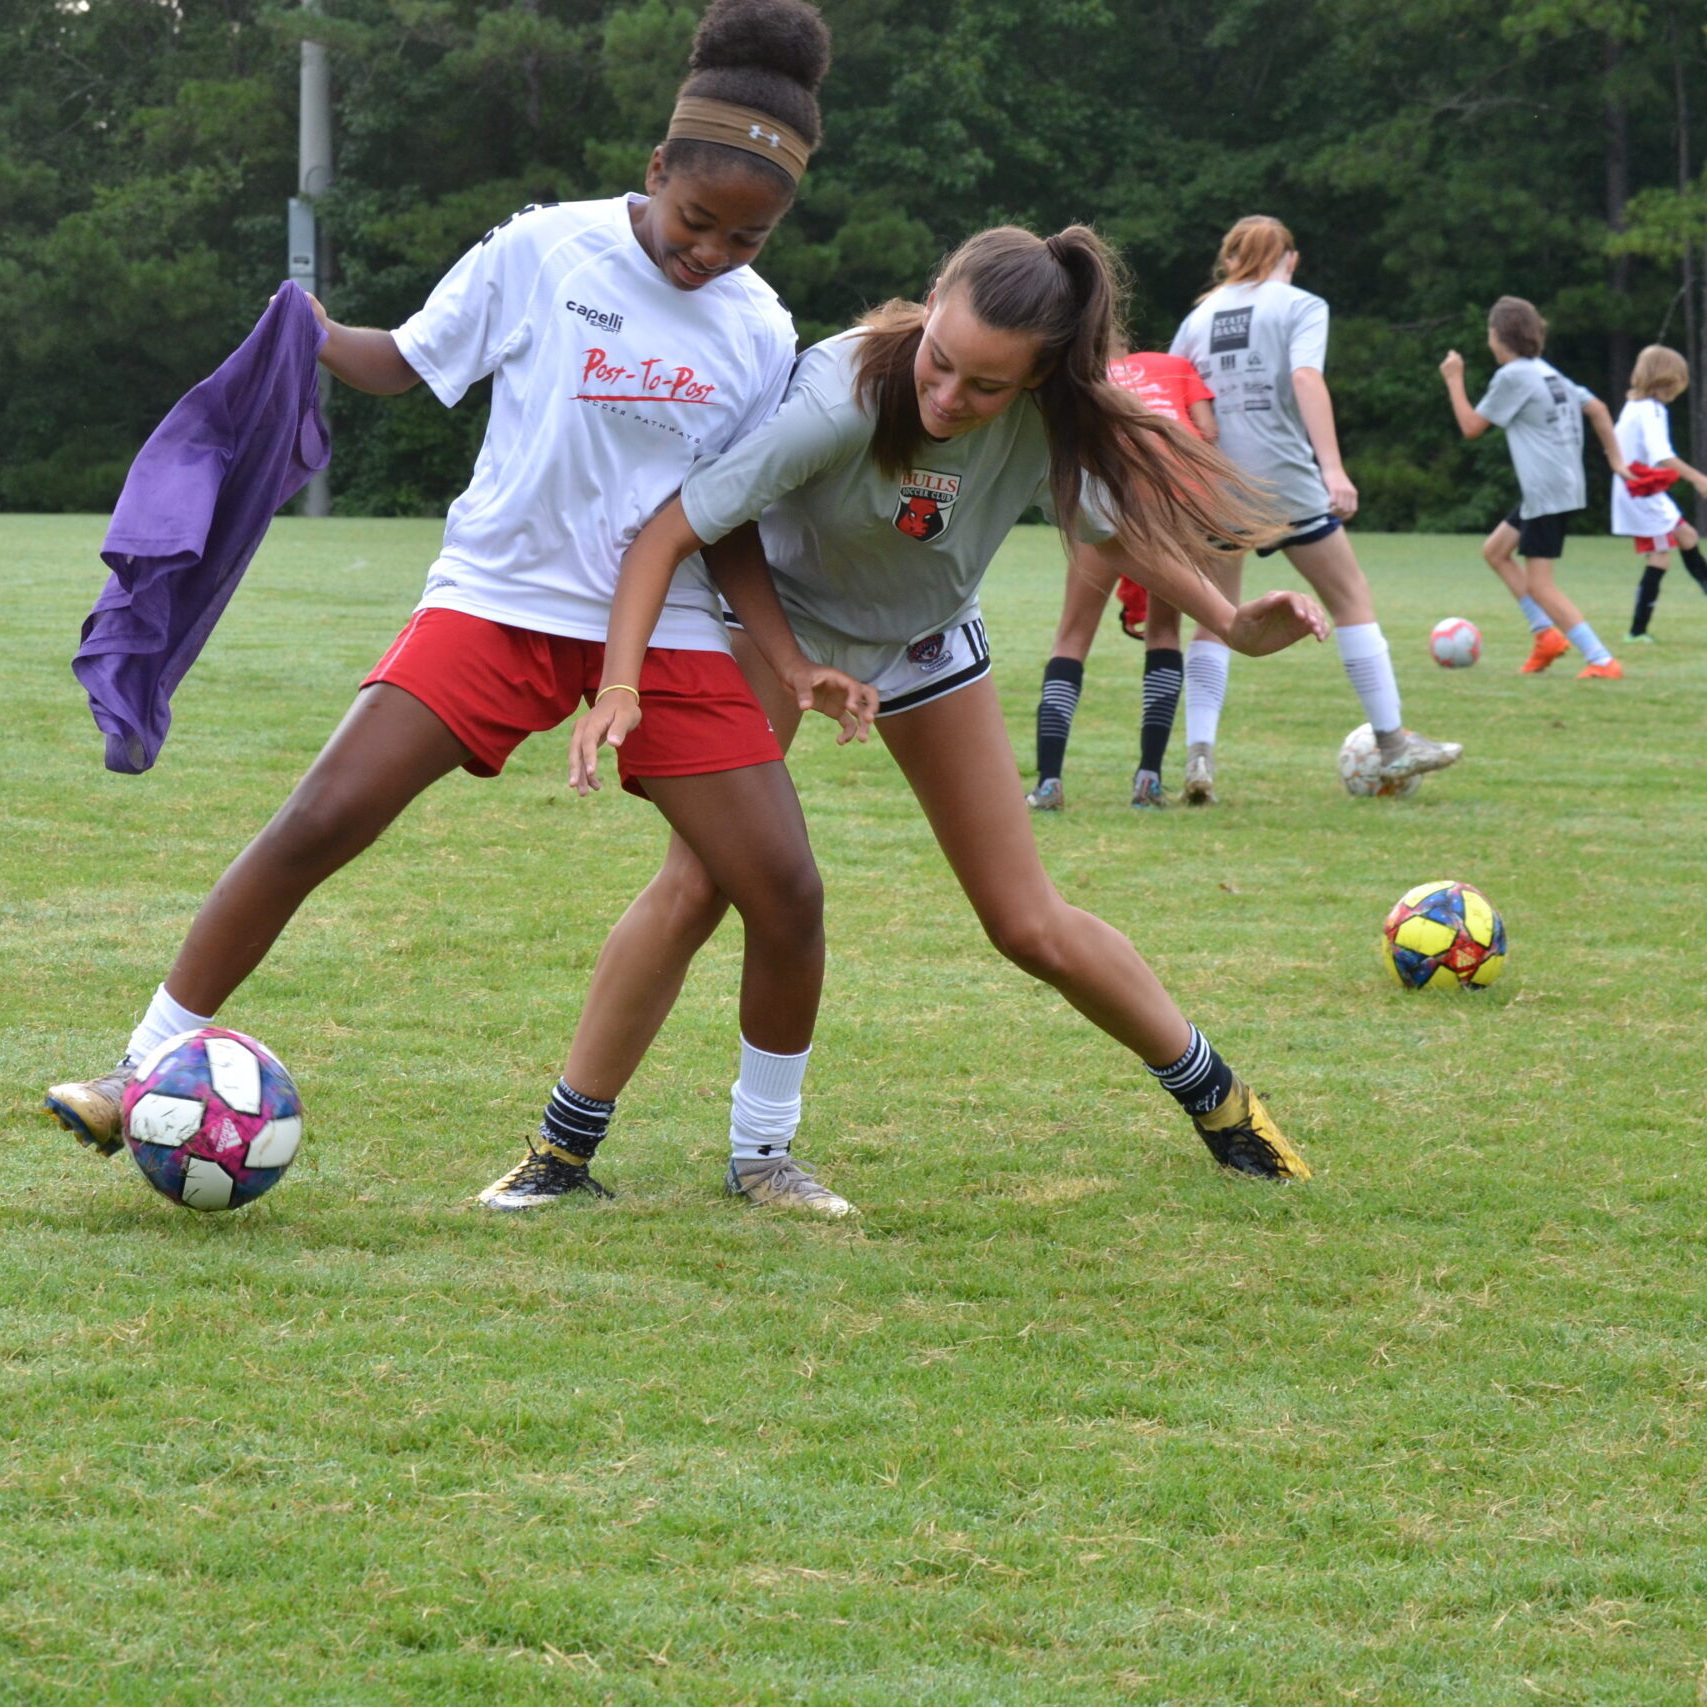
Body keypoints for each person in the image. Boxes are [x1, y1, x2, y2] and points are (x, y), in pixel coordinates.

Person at [44, 0, 858, 1212]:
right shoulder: (543, 250)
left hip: (669, 626)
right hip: (500, 597)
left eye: (747, 239)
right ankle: (135, 1063)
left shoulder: (760, 327)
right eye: (697, 223)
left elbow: (720, 516)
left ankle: (764, 1156)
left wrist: (786, 662)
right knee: (323, 815)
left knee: (784, 889)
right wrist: (317, 337)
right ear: (654, 172)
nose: (711, 255)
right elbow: (410, 361)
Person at [547, 225, 1332, 1209]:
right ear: (928, 310)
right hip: (771, 624)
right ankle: (568, 1153)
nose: (949, 398)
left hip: (923, 640)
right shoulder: (836, 401)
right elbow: (678, 530)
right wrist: (681, 677)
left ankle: (1222, 1104)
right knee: (703, 882)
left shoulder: (1051, 422)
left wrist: (1227, 620)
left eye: (985, 388)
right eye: (940, 363)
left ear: (1039, 380)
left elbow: (1120, 532)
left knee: (1026, 922)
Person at [1169, 216, 1460, 804]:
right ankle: (1393, 745)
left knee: (1214, 619)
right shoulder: (1300, 304)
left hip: (1218, 483)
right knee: (1350, 598)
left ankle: (1199, 759)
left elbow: (1175, 393)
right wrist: (1332, 467)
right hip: (1284, 479)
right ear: (1290, 259)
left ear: (1227, 261)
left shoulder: (1197, 319)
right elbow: (1305, 376)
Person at [1026, 340, 1217, 811]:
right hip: (1174, 496)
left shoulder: (1082, 378)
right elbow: (1207, 432)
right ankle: (1148, 780)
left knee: (1071, 638)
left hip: (1111, 491)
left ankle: (1049, 783)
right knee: (1165, 631)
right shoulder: (1176, 367)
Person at [1437, 297, 1632, 679]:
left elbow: (1471, 427)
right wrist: (1616, 462)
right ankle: (1546, 636)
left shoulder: (1513, 376)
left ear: (1498, 336)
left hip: (1547, 490)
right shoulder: (1547, 371)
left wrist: (1454, 379)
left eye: (1490, 334)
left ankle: (1601, 659)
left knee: (1541, 586)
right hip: (1557, 485)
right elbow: (1597, 409)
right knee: (1496, 551)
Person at [1608, 343, 1707, 642]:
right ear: (1669, 379)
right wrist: (1698, 478)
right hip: (1642, 493)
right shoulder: (1651, 410)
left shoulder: (1634, 406)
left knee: (1687, 537)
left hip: (1640, 491)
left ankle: (1638, 630)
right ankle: (1637, 632)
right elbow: (1661, 454)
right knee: (1660, 555)